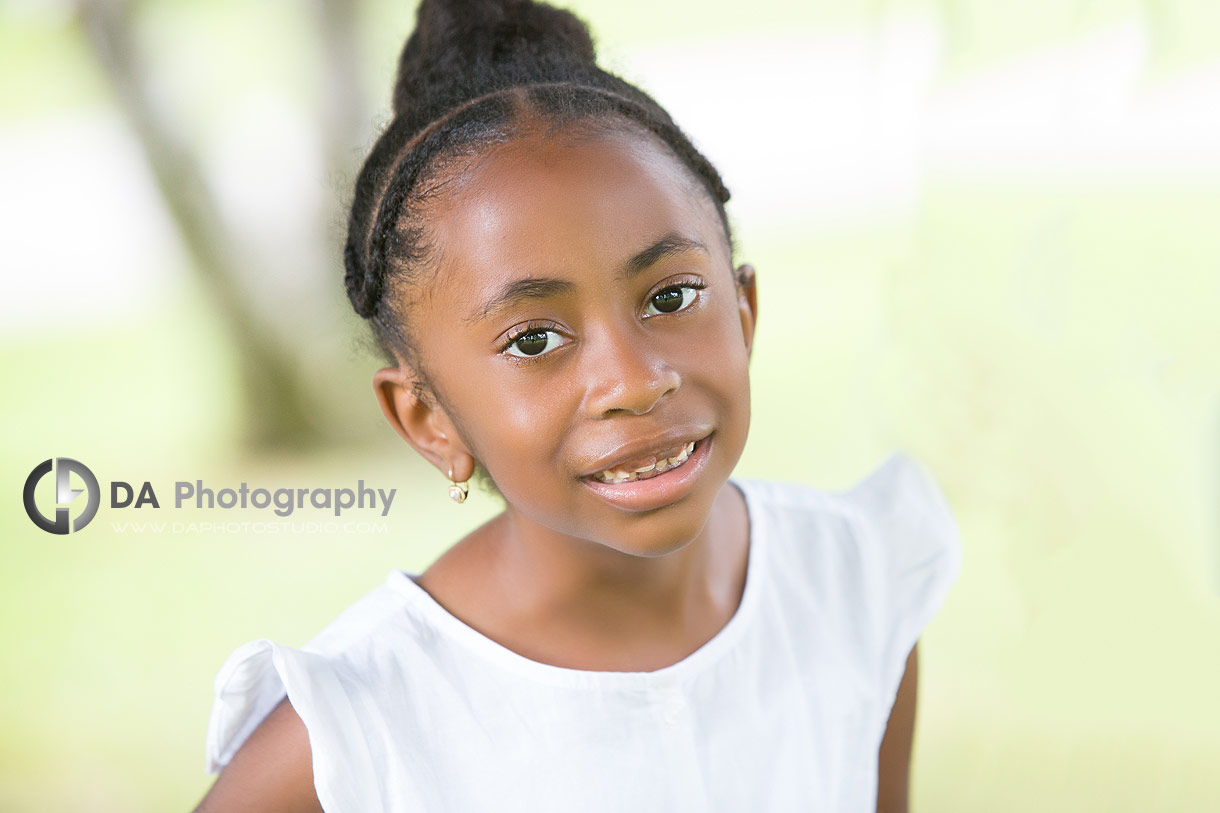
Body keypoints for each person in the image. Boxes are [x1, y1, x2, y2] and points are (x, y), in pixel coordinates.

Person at [193, 0, 961, 810]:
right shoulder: (356, 739)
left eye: (672, 294)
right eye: (534, 340)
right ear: (429, 419)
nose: (634, 380)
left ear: (744, 314)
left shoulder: (855, 589)